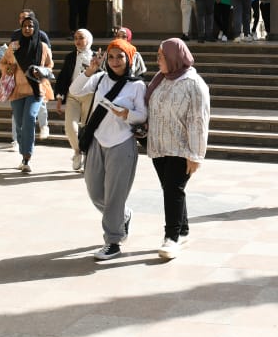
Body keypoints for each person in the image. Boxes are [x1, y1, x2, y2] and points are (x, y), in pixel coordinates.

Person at [69, 38, 147, 261]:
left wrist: (127, 114)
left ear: (129, 59)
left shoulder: (137, 85)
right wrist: (90, 70)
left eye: (120, 56)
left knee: (114, 196)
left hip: (122, 143)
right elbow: (74, 90)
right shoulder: (100, 78)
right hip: (97, 141)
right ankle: (123, 215)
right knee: (95, 192)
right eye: (111, 57)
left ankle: (113, 241)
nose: (115, 61)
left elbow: (142, 115)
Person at [146, 38, 211, 260]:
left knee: (173, 191)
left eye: (161, 56)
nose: (157, 60)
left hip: (182, 149)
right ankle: (183, 231)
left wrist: (196, 155)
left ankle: (171, 238)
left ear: (174, 57)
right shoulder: (161, 79)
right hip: (159, 147)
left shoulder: (194, 84)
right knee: (171, 190)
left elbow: (198, 121)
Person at [0, 14, 54, 174]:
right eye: (25, 26)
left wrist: (41, 71)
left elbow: (50, 66)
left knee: (29, 118)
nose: (27, 29)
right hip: (16, 90)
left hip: (35, 89)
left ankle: (27, 157)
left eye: (31, 26)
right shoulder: (14, 46)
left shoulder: (43, 47)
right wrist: (8, 68)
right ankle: (23, 152)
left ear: (35, 28)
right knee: (19, 124)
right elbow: (3, 63)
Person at [54, 29, 95, 171]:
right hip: (72, 96)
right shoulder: (70, 57)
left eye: (81, 38)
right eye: (76, 38)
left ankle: (87, 154)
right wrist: (59, 98)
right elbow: (63, 77)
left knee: (86, 127)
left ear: (88, 39)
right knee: (70, 126)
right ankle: (77, 151)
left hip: (89, 96)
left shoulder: (96, 57)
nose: (78, 41)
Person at [11, 9, 51, 141]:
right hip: (20, 79)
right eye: (21, 18)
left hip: (36, 78)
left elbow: (47, 57)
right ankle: (16, 140)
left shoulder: (42, 35)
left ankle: (44, 126)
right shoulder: (16, 34)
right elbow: (11, 53)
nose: (22, 20)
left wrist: (41, 71)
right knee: (17, 113)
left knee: (40, 103)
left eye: (25, 17)